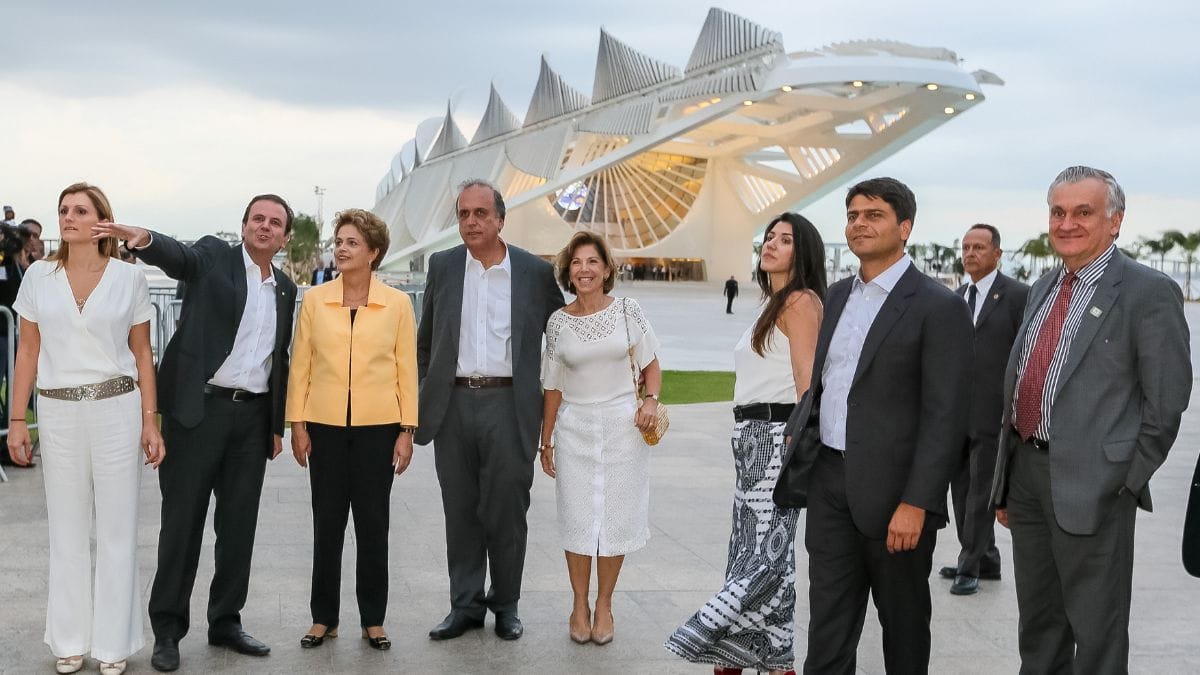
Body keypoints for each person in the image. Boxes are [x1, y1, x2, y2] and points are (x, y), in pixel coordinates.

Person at [990, 166, 1192, 672]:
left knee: (1097, 633)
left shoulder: (1147, 292)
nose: (1067, 224)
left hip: (1098, 487)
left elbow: (1167, 401)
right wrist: (1007, 480)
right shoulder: (1043, 286)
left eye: (1083, 212)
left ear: (1114, 220)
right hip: (1027, 478)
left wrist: (1124, 479)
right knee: (1039, 627)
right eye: (1058, 212)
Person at [775, 177, 973, 673]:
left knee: (903, 627)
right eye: (853, 216)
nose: (859, 224)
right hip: (829, 484)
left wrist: (918, 502)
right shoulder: (837, 295)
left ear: (905, 227)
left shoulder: (938, 306)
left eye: (874, 215)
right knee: (828, 627)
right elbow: (827, 383)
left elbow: (946, 416)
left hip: (896, 496)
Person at [94, 194, 299, 672]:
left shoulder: (286, 289)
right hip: (198, 413)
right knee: (182, 526)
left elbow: (279, 358)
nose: (265, 227)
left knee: (238, 527)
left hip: (251, 420)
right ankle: (168, 630)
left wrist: (275, 426)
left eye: (275, 223)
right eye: (257, 219)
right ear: (244, 226)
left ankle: (226, 621)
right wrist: (145, 240)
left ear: (285, 237)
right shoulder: (214, 257)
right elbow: (180, 258)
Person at [7, 182, 165, 675]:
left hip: (117, 408)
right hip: (58, 412)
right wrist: (17, 420)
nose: (68, 217)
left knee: (118, 528)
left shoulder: (129, 278)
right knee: (67, 528)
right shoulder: (38, 276)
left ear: (102, 220)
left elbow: (143, 353)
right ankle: (69, 639)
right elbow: (27, 350)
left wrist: (150, 421)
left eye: (79, 210)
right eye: (63, 210)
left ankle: (114, 644)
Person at [666, 213, 825, 674]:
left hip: (777, 439)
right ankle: (774, 661)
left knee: (764, 557)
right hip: (752, 439)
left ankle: (706, 631)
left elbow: (807, 385)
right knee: (755, 553)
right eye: (769, 237)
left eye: (785, 240)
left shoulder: (799, 301)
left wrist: (794, 447)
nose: (771, 244)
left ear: (804, 251)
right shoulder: (772, 303)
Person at [416, 179, 564, 642]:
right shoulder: (442, 266)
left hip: (509, 405)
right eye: (463, 214)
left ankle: (506, 605)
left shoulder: (533, 272)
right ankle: (464, 606)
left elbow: (563, 336)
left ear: (500, 219)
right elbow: (426, 342)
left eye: (480, 213)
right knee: (460, 511)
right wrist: (426, 390)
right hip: (453, 406)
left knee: (506, 512)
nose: (471, 222)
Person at [286, 209, 418, 651]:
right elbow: (300, 365)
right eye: (339, 241)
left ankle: (373, 620)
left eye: (352, 243)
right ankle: (323, 618)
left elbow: (407, 370)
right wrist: (297, 423)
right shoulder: (315, 301)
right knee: (326, 525)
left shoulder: (397, 304)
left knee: (373, 525)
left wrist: (407, 430)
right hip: (323, 427)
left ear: (373, 252)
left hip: (378, 430)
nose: (341, 249)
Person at [538, 231, 662, 646]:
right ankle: (579, 604)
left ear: (607, 269)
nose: (584, 269)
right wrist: (546, 440)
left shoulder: (628, 310)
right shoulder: (557, 322)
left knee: (615, 520)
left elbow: (652, 364)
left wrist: (651, 401)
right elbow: (552, 387)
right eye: (576, 263)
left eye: (592, 261)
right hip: (575, 430)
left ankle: (604, 604)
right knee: (577, 520)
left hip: (623, 428)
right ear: (568, 272)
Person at [937, 224, 1029, 596]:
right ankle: (986, 558)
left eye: (979, 247)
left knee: (980, 492)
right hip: (958, 411)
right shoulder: (958, 297)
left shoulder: (1018, 295)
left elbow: (1027, 354)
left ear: (997, 254)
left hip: (994, 412)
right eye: (965, 247)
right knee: (961, 489)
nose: (970, 253)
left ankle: (970, 564)